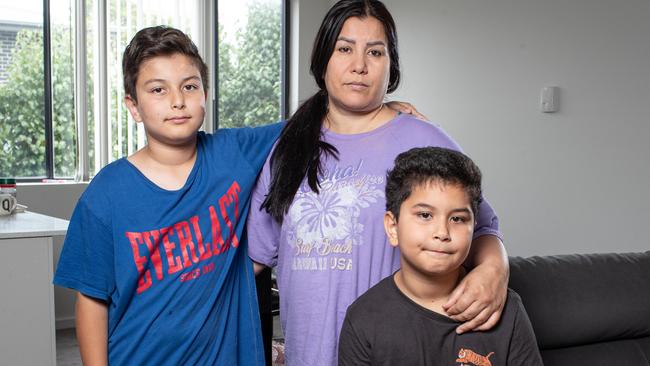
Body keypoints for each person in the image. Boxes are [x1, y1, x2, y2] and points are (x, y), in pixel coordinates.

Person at [247, 1, 509, 365]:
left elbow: (480, 225)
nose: (359, 65)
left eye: (375, 52)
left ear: (391, 66)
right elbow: (254, 258)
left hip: (393, 353)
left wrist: (495, 270)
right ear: (323, 58)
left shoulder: (421, 138)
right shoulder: (289, 147)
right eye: (344, 49)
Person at [53, 26, 284, 365]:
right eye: (158, 89)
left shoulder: (233, 153)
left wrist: (383, 109)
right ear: (133, 106)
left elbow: (315, 123)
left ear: (205, 93)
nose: (178, 100)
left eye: (190, 86)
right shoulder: (106, 195)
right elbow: (91, 303)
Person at [338, 147, 543, 365]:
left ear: (474, 226)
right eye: (425, 215)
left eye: (457, 219)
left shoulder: (506, 308)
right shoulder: (364, 319)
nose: (442, 233)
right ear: (393, 227)